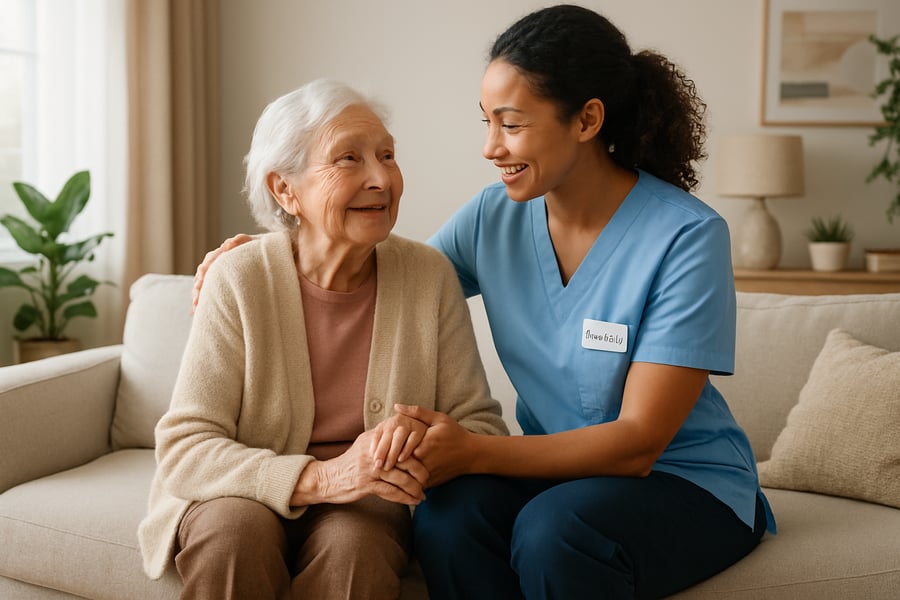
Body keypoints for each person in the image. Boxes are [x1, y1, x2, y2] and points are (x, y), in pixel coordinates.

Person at [194, 5, 776, 599]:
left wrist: (475, 450)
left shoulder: (686, 237)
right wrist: (275, 257)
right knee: (448, 515)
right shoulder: (492, 218)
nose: (490, 147)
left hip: (682, 482)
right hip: (563, 479)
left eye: (511, 124)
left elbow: (638, 443)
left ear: (587, 119)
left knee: (558, 533)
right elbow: (389, 278)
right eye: (486, 122)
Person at [139, 78, 507, 600]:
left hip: (368, 504)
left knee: (355, 550)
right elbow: (184, 449)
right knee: (233, 536)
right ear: (285, 190)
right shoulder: (239, 277)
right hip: (240, 493)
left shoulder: (429, 276)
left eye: (387, 155)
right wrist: (326, 477)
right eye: (349, 159)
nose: (381, 178)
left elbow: (481, 428)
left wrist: (418, 444)